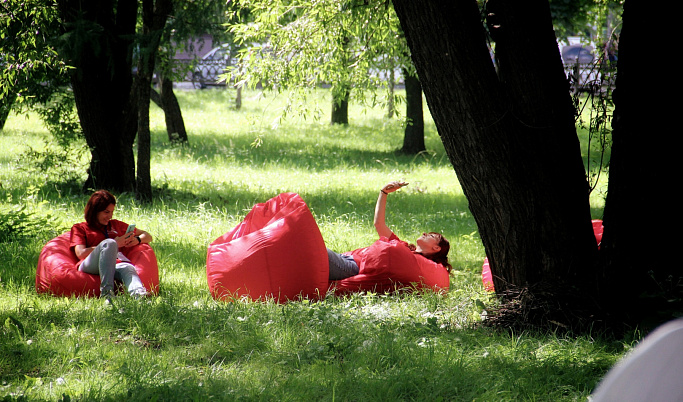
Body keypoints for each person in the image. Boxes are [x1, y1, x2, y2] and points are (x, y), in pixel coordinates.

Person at [327, 181, 451, 280]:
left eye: (431, 236)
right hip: (345, 258)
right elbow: (379, 224)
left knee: (313, 249)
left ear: (436, 248)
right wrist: (383, 193)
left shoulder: (407, 259)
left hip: (350, 267)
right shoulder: (401, 248)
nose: (424, 233)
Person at [69, 190, 153, 301]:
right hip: (90, 265)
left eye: (112, 212)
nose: (110, 216)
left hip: (114, 263)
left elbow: (147, 236)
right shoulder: (80, 228)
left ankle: (139, 294)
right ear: (95, 211)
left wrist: (137, 240)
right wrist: (115, 243)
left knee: (127, 267)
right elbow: (81, 253)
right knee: (110, 243)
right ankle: (107, 295)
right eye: (106, 212)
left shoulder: (115, 225)